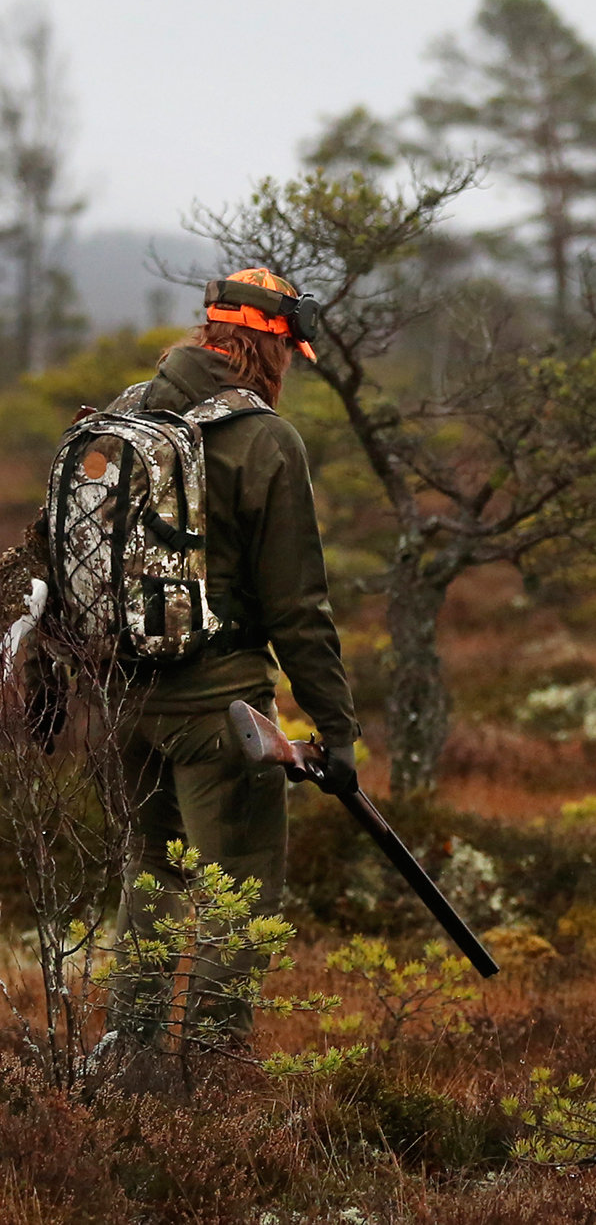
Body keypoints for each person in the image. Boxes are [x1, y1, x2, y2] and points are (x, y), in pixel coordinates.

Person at [109, 268, 358, 1045]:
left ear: (210, 330)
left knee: (150, 875)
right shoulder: (264, 439)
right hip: (221, 710)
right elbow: (297, 606)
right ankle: (214, 1067)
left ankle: (132, 1053)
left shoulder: (124, 414)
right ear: (274, 346)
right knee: (240, 894)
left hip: (119, 699)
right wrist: (336, 729)